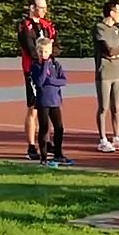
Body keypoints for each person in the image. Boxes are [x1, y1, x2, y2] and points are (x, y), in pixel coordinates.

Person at [17, 0, 56, 160]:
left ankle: (46, 141)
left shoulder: (48, 25)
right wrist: (40, 60)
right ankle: (31, 146)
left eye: (46, 8)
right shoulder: (24, 26)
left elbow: (56, 44)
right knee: (33, 108)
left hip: (48, 70)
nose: (45, 11)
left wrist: (50, 59)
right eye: (41, 7)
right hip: (32, 71)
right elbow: (30, 47)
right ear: (32, 8)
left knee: (48, 106)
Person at [92, 0, 119, 153]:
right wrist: (116, 52)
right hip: (104, 74)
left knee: (117, 108)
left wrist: (117, 53)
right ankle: (102, 139)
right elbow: (106, 50)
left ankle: (116, 138)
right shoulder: (99, 28)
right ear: (111, 12)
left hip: (118, 73)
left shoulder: (116, 30)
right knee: (103, 107)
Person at [28, 37, 69, 166]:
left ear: (50, 51)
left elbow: (63, 80)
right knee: (44, 129)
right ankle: (44, 157)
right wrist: (44, 64)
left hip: (55, 101)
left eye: (46, 52)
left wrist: (51, 81)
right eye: (41, 52)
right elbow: (39, 81)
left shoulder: (56, 65)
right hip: (43, 102)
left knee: (59, 128)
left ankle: (58, 153)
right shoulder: (35, 67)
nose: (43, 54)